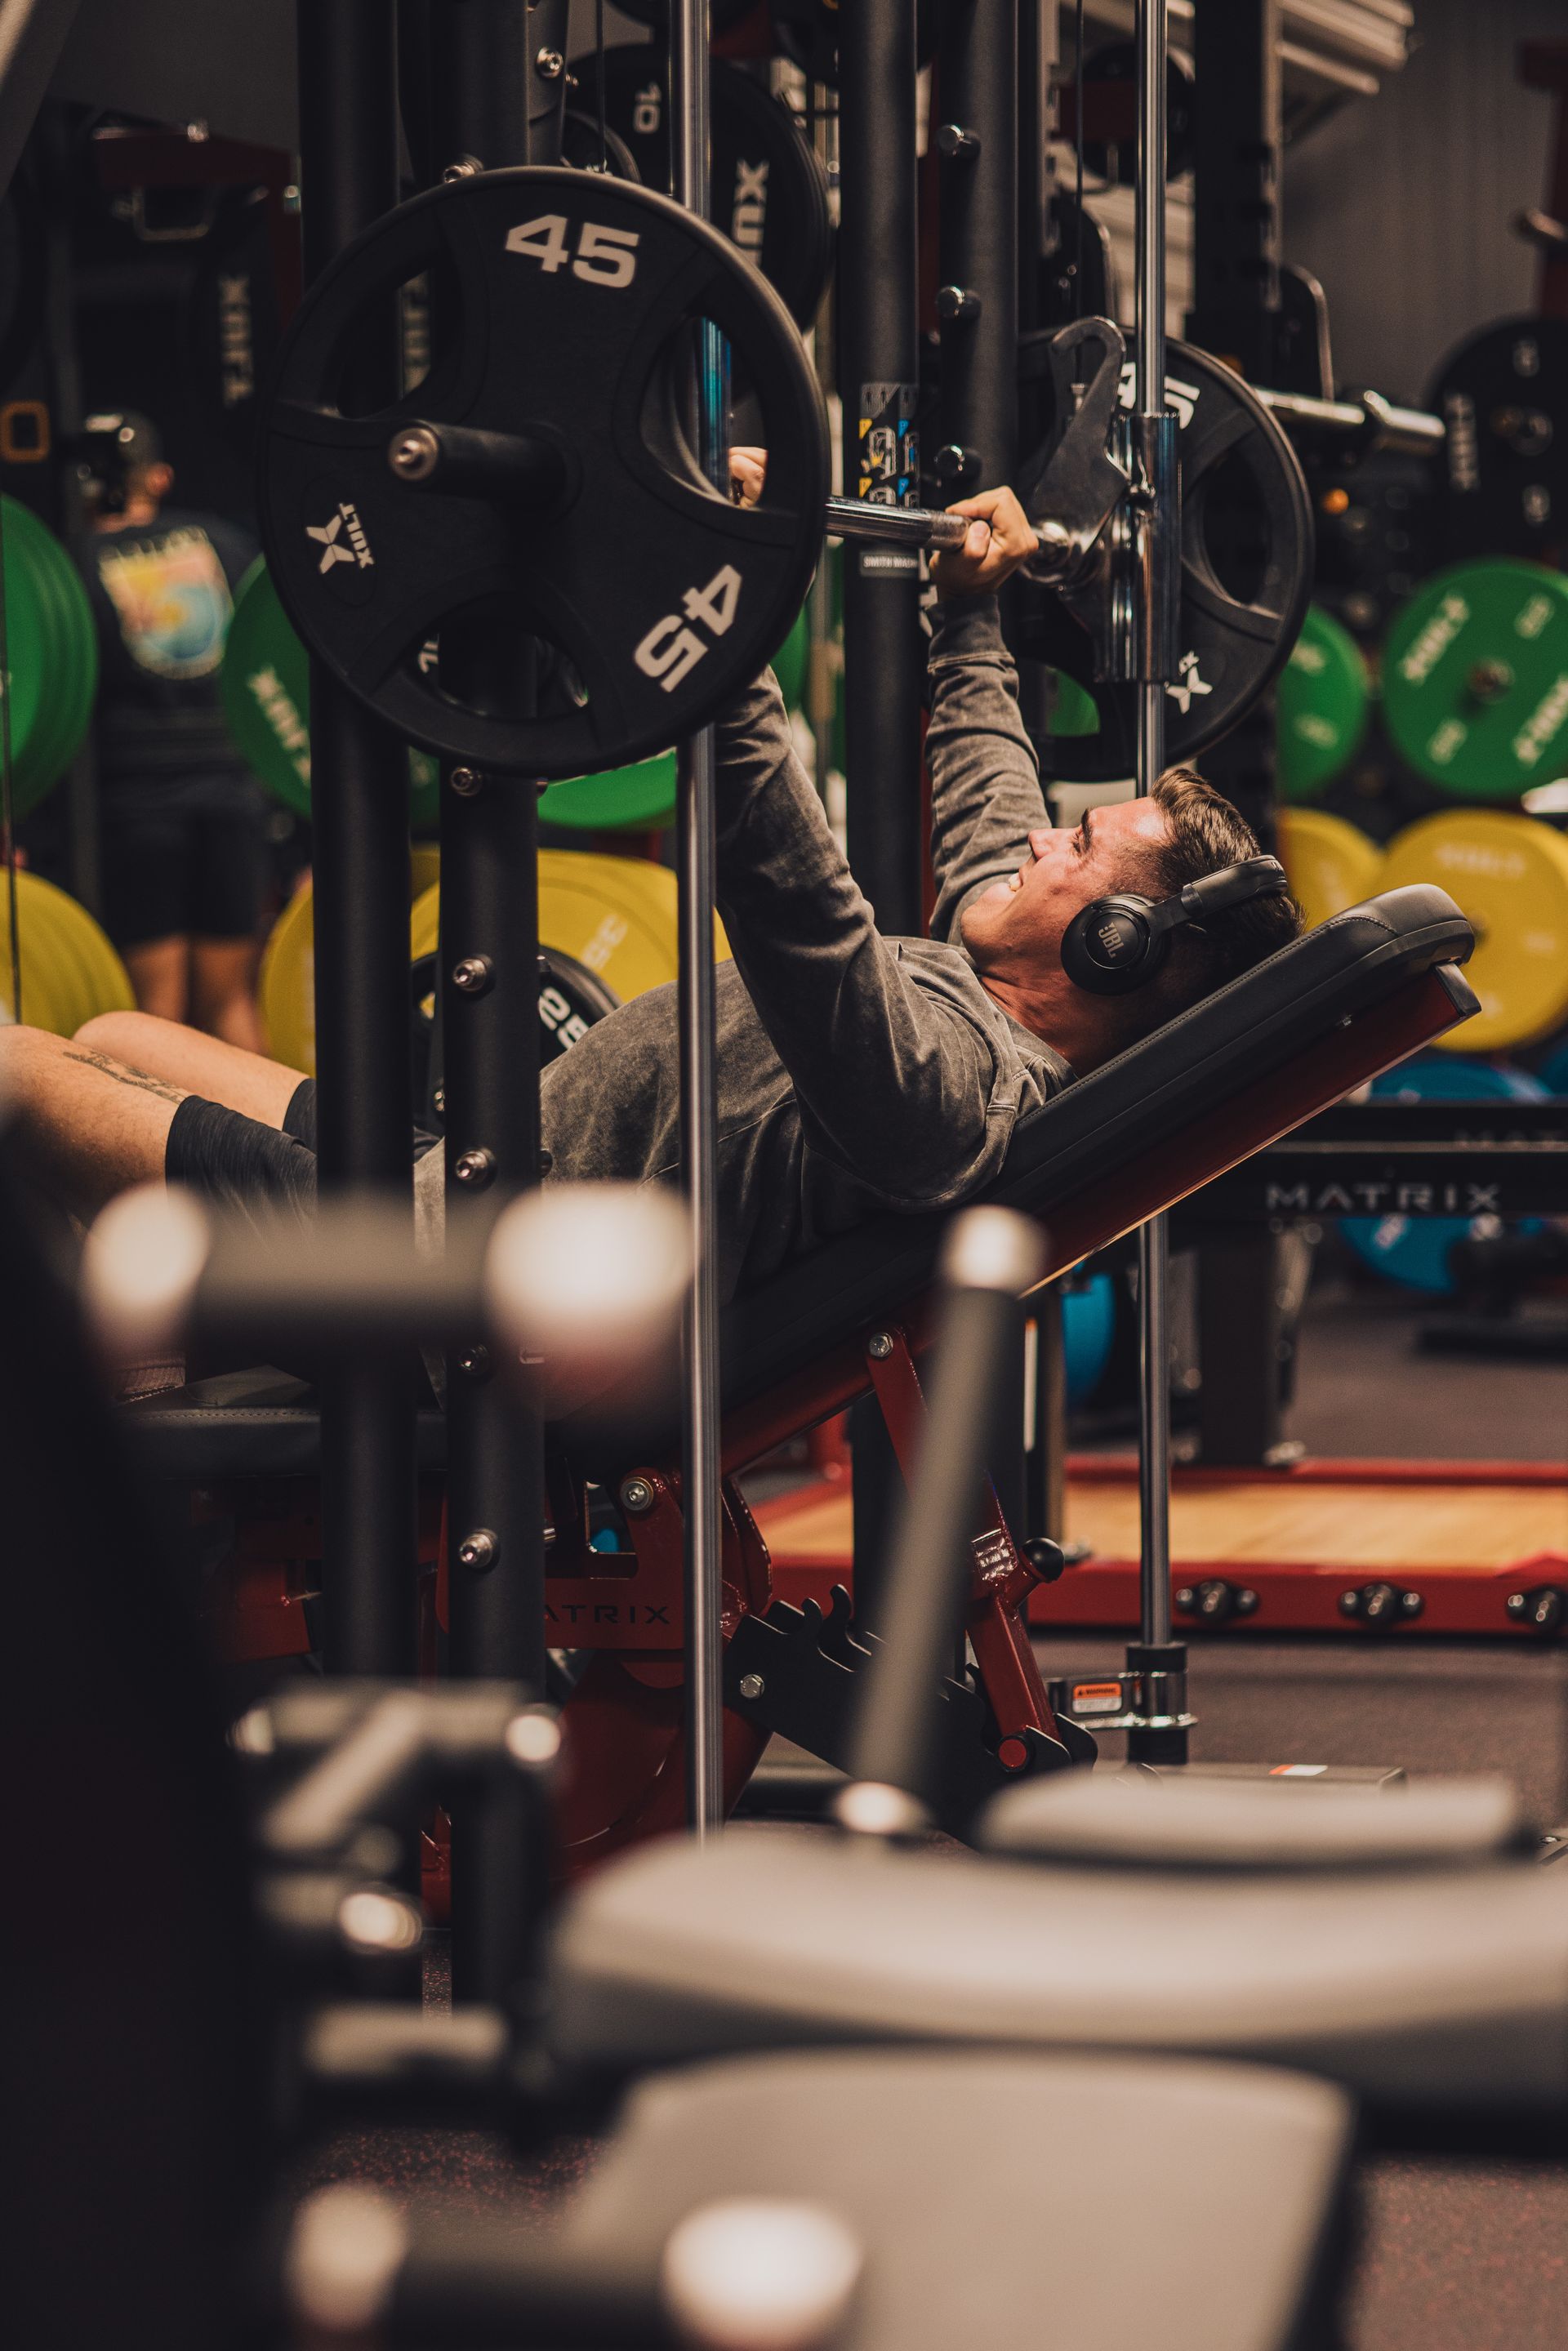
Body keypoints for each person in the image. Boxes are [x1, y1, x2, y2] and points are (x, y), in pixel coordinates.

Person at [2, 478, 1300, 1313]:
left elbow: (797, 906)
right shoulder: (995, 980)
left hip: (462, 1265)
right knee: (115, 1039)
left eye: (1078, 852)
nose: (1038, 846)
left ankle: (156, 1484)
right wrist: (971, 621)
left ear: (1119, 949)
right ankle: (169, 1394)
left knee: (17, 1074)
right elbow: (985, 797)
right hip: (468, 1159)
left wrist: (723, 622)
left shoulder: (950, 1087)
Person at [75, 412, 269, 1048]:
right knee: (233, 1001)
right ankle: (277, 1148)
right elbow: (271, 656)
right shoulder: (223, 541)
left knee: (158, 1011)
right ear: (157, 477)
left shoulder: (72, 566)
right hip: (231, 794)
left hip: (138, 809)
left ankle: (162, 1153)